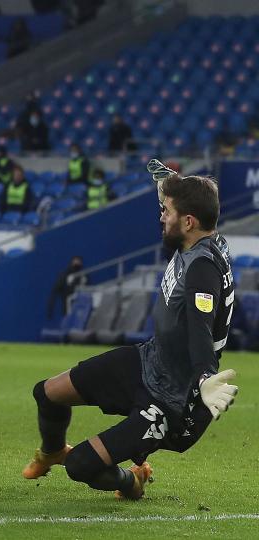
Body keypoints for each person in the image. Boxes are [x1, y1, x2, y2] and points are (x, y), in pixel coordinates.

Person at [22, 170, 238, 501]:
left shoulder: (202, 270)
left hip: (173, 401)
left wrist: (206, 377)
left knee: (80, 465)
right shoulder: (201, 237)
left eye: (167, 211)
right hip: (149, 360)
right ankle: (52, 451)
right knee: (47, 393)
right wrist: (174, 185)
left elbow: (200, 329)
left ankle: (132, 482)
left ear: (189, 221)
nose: (161, 217)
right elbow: (204, 198)